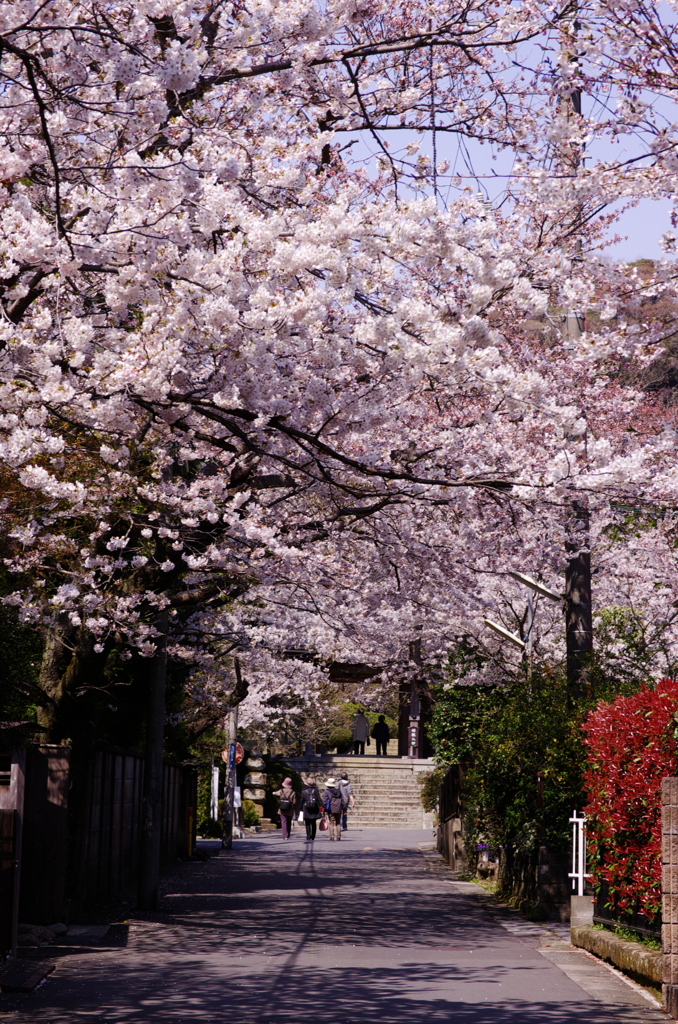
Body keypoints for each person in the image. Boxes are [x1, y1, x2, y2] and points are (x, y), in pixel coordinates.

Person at [299, 776, 322, 841]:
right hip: (314, 807)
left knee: (307, 823)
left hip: (306, 808)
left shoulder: (303, 791)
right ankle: (313, 836)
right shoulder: (316, 790)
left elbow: (301, 801)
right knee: (313, 822)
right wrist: (321, 806)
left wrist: (300, 809)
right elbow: (319, 799)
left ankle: (308, 836)